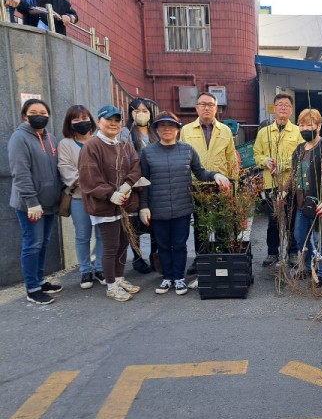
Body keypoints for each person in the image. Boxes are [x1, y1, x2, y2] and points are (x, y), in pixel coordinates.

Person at [139, 111, 231, 295]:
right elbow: (143, 181)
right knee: (163, 245)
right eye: (162, 126)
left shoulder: (187, 150)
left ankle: (179, 278)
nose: (167, 129)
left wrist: (216, 175)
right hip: (157, 208)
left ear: (177, 130)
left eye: (171, 126)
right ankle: (167, 278)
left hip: (182, 207)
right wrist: (144, 206)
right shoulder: (147, 152)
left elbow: (201, 173)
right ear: (157, 130)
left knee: (180, 244)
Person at [78, 105, 142, 302]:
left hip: (124, 202)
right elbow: (89, 177)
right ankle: (111, 284)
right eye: (109, 120)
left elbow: (135, 167)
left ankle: (119, 277)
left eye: (117, 120)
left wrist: (127, 185)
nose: (113, 124)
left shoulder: (125, 144)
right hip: (104, 206)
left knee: (123, 243)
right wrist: (109, 194)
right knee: (111, 245)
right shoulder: (92, 146)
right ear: (99, 122)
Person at [8, 99, 62, 305]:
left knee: (43, 243)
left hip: (49, 203)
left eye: (43, 112)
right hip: (30, 205)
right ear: (25, 115)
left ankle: (40, 280)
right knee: (32, 244)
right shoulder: (19, 138)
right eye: (34, 112)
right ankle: (32, 288)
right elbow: (20, 173)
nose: (39, 115)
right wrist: (31, 201)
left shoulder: (51, 138)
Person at [180, 92, 239, 274]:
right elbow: (183, 158)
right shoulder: (186, 130)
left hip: (221, 184)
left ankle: (221, 256)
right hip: (197, 185)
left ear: (216, 108)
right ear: (197, 107)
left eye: (210, 105)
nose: (206, 108)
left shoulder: (225, 130)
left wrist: (233, 184)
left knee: (222, 222)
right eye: (202, 104)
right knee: (200, 224)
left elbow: (231, 158)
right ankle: (202, 258)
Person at [283, 108, 322, 287]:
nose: (305, 128)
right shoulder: (299, 149)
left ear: (319, 126)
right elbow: (293, 174)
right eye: (302, 124)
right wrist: (284, 190)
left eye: (310, 124)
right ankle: (307, 267)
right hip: (301, 203)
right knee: (300, 236)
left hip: (318, 202)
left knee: (319, 239)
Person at [58, 105, 105, 289]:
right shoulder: (65, 144)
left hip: (101, 197)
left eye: (84, 118)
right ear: (70, 123)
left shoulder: (99, 141)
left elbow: (106, 168)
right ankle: (85, 270)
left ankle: (100, 267)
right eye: (76, 119)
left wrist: (97, 184)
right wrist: (88, 181)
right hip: (78, 197)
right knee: (83, 235)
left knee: (102, 234)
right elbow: (65, 169)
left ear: (91, 120)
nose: (81, 122)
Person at [253, 93, 303, 267]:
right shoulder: (264, 133)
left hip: (290, 184)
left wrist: (284, 165)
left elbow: (302, 155)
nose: (283, 107)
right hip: (270, 184)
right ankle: (272, 252)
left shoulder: (297, 132)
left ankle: (292, 252)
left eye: (287, 105)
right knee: (272, 221)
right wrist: (264, 160)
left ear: (291, 110)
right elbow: (256, 154)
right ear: (274, 109)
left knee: (291, 219)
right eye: (280, 104)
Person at [124, 98, 160, 274]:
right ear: (131, 113)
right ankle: (137, 258)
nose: (141, 114)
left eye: (145, 110)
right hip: (136, 183)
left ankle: (155, 256)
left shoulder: (155, 132)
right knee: (134, 222)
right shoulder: (126, 132)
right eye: (137, 110)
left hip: (154, 183)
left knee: (154, 222)